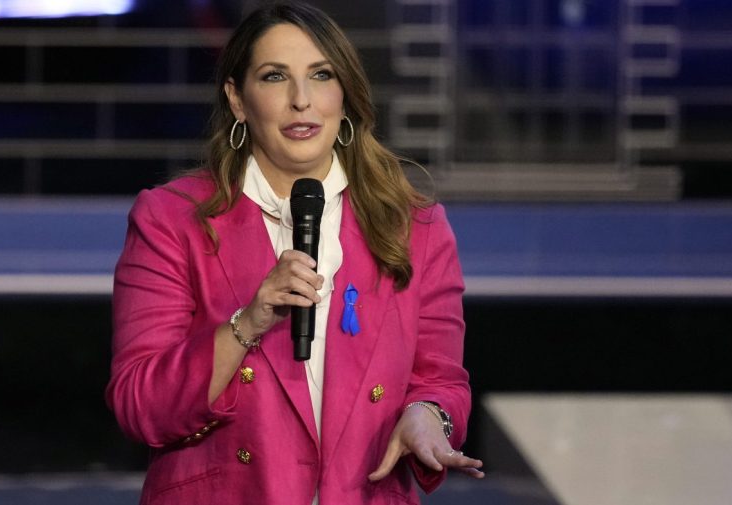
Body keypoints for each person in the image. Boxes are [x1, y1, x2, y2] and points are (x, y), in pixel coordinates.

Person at [106, 2, 484, 503]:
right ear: (238, 100)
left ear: (344, 95)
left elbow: (441, 380)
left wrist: (428, 415)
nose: (301, 100)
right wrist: (250, 321)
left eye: (321, 75)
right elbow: (140, 405)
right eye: (274, 77)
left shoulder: (415, 227)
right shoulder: (171, 220)